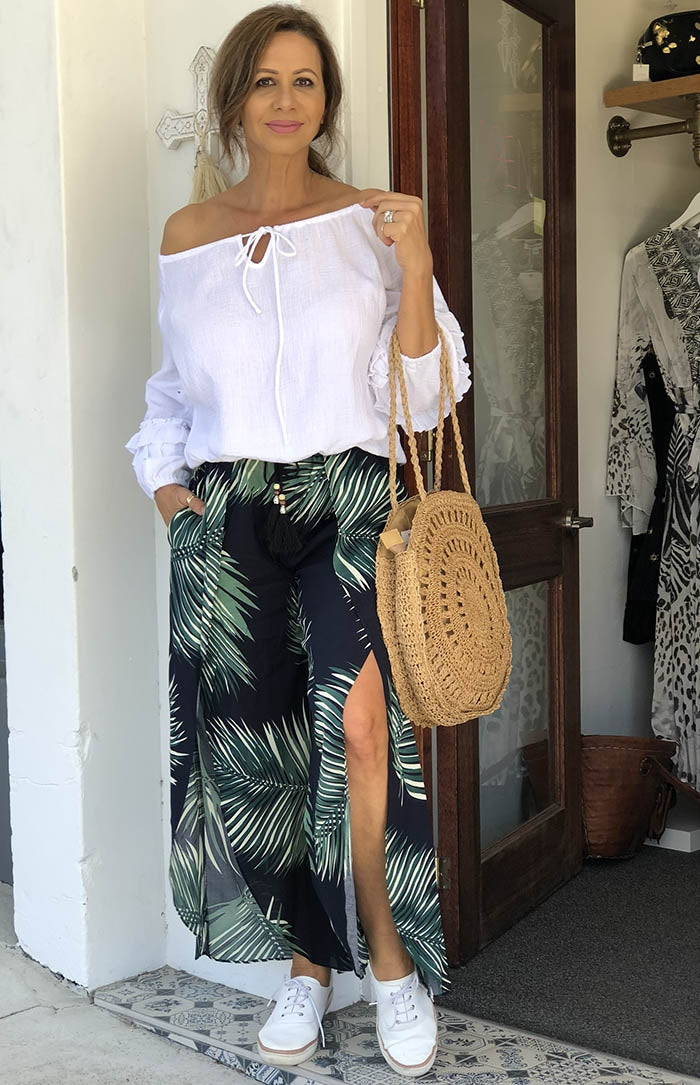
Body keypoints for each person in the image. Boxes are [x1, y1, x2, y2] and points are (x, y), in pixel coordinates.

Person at [125, 4, 470, 1077]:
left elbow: (426, 397)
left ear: (327, 102)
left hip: (347, 501)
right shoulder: (188, 235)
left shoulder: (370, 220)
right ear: (233, 101)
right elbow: (173, 390)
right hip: (229, 513)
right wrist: (172, 498)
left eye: (305, 81)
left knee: (360, 729)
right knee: (262, 745)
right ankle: (307, 969)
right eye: (266, 81)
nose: (285, 100)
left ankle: (390, 959)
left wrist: (415, 260)